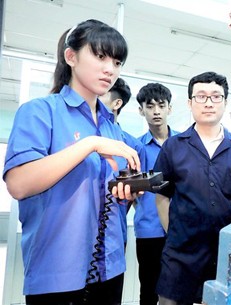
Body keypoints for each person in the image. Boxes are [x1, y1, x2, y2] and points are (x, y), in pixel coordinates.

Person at [3, 19, 140, 305]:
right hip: (57, 271)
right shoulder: (40, 112)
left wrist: (128, 192)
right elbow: (18, 184)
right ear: (71, 56)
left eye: (117, 61)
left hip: (110, 267)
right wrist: (90, 144)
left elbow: (106, 199)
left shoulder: (111, 127)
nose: (110, 69)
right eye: (100, 56)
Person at [153, 71, 231, 305]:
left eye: (216, 97)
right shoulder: (173, 146)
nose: (209, 103)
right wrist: (174, 232)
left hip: (225, 251)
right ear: (190, 103)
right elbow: (162, 197)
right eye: (201, 96)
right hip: (180, 253)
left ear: (225, 103)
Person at [133, 82, 179, 305]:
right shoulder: (136, 148)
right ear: (141, 110)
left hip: (181, 230)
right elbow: (133, 190)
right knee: (149, 290)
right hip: (149, 231)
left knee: (180, 290)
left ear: (170, 108)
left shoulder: (184, 143)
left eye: (161, 106)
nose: (156, 111)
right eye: (150, 107)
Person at [99, 77, 146, 247]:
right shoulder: (82, 135)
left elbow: (133, 195)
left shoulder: (133, 146)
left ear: (116, 104)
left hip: (113, 230)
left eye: (101, 94)